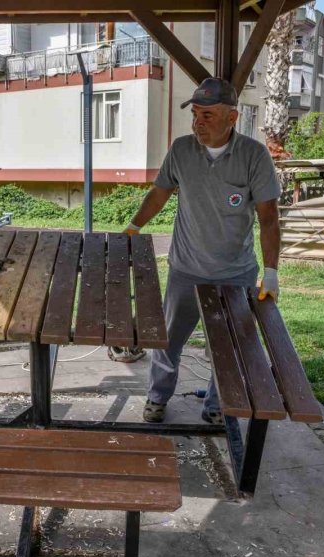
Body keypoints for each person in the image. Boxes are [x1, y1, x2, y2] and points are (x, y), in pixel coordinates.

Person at [124, 78, 281, 425]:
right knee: (168, 340)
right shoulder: (181, 150)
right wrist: (134, 226)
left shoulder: (254, 156)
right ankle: (156, 398)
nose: (198, 123)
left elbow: (269, 218)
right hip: (186, 268)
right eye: (195, 114)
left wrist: (271, 272)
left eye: (208, 115)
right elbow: (159, 193)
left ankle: (216, 405)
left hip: (235, 273)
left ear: (232, 118)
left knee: (226, 347)